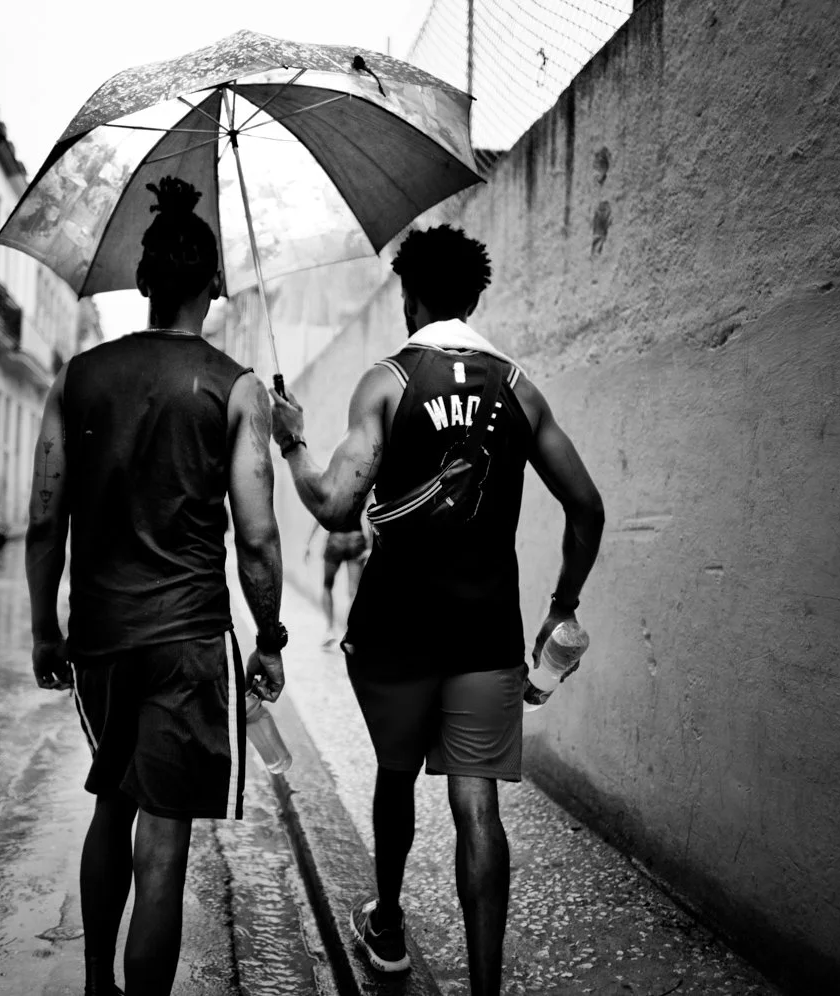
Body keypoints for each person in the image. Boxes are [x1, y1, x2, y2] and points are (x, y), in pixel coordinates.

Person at [269, 225, 604, 996]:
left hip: (395, 634)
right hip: (486, 634)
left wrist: (292, 442)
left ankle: (386, 924)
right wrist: (560, 608)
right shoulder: (520, 388)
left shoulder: (387, 381)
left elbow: (334, 506)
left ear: (407, 296)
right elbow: (587, 510)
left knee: (393, 777)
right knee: (477, 804)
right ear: (476, 296)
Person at [26, 176, 288, 996]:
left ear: (142, 283)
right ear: (214, 286)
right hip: (186, 641)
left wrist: (45, 628)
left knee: (111, 800)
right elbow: (257, 540)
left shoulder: (76, 379)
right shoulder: (236, 387)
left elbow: (44, 519)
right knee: (163, 837)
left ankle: (97, 985)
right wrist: (271, 638)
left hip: (100, 638)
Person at [305, 514, 371, 647]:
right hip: (356, 538)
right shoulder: (361, 491)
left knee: (327, 586)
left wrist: (308, 541)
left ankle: (330, 630)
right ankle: (350, 633)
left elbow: (321, 514)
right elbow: (370, 514)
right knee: (354, 592)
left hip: (335, 539)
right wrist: (370, 545)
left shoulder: (333, 491)